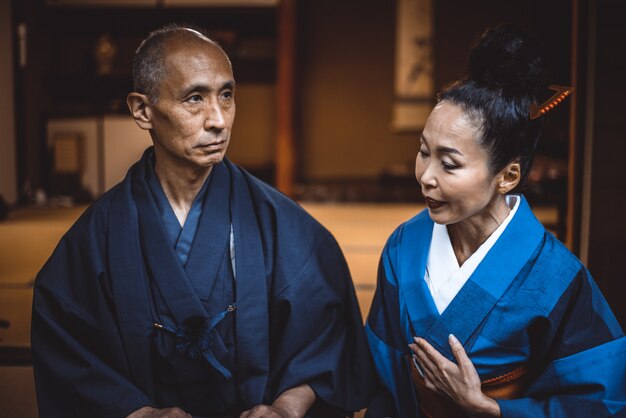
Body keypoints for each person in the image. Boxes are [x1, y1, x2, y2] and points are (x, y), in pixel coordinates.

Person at [32, 24, 377, 418]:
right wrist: (139, 413)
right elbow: (67, 344)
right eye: (195, 98)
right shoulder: (98, 233)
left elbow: (326, 334)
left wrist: (286, 407)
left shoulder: (282, 223)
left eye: (226, 95)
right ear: (142, 110)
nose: (219, 120)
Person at [365, 24, 626, 417]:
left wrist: (489, 409)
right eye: (423, 152)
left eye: (449, 164)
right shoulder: (404, 245)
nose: (425, 175)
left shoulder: (556, 275)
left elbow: (599, 401)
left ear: (507, 176)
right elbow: (380, 374)